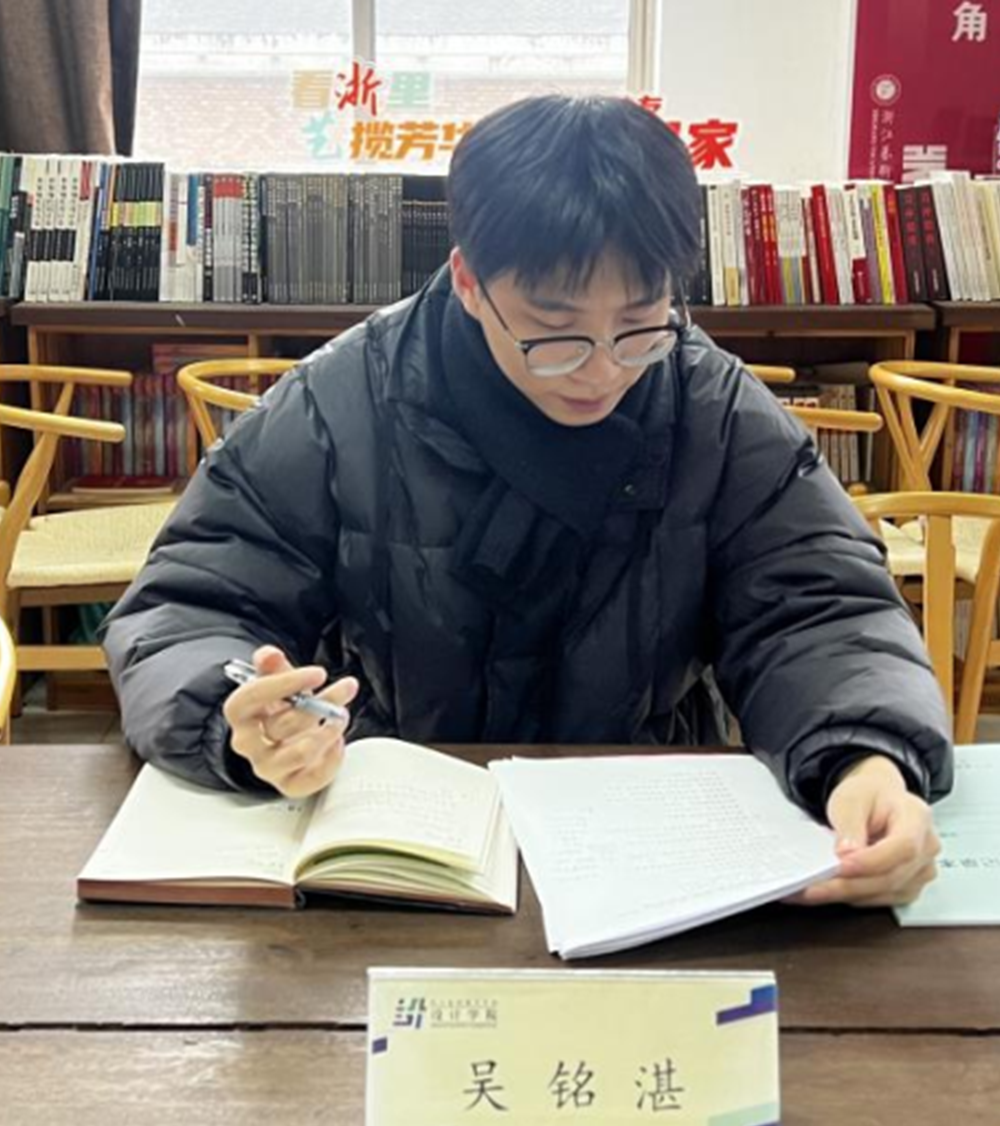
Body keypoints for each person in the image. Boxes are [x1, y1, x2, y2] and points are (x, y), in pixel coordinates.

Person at [103, 95, 952, 907]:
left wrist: (862, 757)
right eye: (554, 330)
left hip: (655, 834)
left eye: (640, 321)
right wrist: (240, 720)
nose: (603, 368)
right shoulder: (341, 400)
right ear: (469, 282)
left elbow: (818, 610)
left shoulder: (711, 406)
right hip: (393, 824)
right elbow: (190, 607)